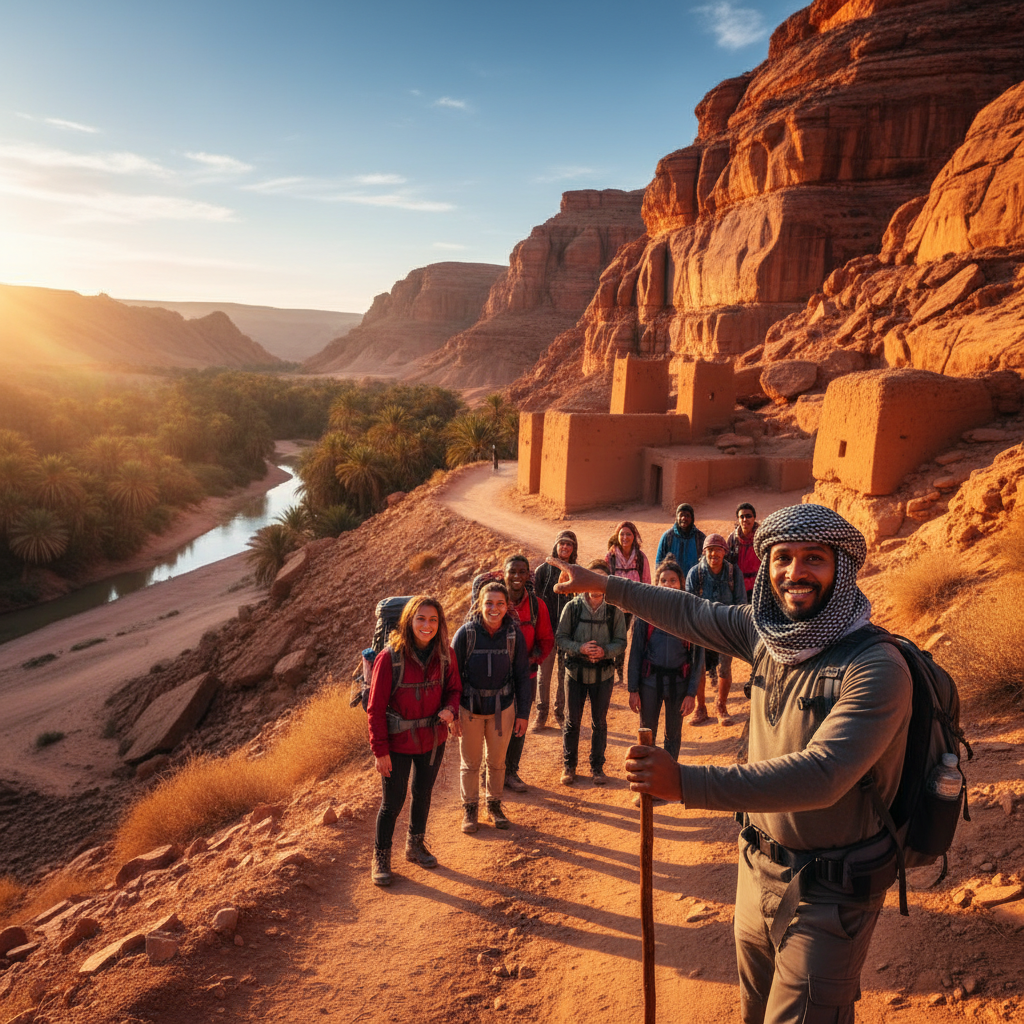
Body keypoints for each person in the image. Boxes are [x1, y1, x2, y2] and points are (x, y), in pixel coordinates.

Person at [550, 504, 913, 1024]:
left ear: (842, 567)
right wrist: (607, 586)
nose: (795, 572)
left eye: (814, 558)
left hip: (832, 892)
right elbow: (689, 613)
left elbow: (823, 774)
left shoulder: (876, 666)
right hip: (756, 869)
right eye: (783, 558)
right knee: (754, 1012)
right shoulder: (768, 634)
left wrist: (685, 782)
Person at [367, 595, 462, 887]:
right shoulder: (389, 657)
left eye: (433, 620)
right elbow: (375, 708)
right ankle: (381, 856)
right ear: (409, 621)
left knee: (422, 793)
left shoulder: (445, 654)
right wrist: (380, 751)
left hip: (432, 739)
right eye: (421, 618)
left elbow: (455, 689)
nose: (427, 625)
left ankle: (415, 845)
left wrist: (451, 709)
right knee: (392, 802)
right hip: (396, 743)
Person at [452, 581, 531, 833]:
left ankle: (494, 805)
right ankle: (470, 809)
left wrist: (523, 713)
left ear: (507, 606)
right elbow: (452, 677)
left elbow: (522, 675)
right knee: (470, 762)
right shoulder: (466, 633)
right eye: (489, 603)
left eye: (499, 603)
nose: (494, 608)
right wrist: (453, 713)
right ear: (479, 604)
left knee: (497, 762)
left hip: (503, 708)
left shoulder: (513, 635)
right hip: (470, 709)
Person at [626, 559, 703, 789]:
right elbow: (636, 652)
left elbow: (698, 659)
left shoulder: (690, 613)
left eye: (673, 580)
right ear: (656, 583)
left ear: (681, 583)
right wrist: (632, 688)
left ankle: (666, 784)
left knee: (673, 735)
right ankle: (646, 784)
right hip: (649, 682)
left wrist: (691, 693)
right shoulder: (646, 611)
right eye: (663, 580)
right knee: (647, 733)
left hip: (679, 684)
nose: (668, 585)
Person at [556, 559, 627, 786]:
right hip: (575, 674)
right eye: (592, 577)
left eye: (601, 579)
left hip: (603, 676)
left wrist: (605, 652)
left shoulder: (614, 610)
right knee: (571, 722)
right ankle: (569, 767)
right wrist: (580, 648)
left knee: (599, 723)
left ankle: (598, 768)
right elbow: (561, 638)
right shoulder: (573, 607)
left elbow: (621, 642)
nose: (596, 583)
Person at [502, 553, 554, 792]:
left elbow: (546, 639)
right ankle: (491, 772)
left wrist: (534, 660)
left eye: (522, 572)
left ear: (528, 576)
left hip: (527, 678)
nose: (517, 576)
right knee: (494, 725)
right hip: (496, 678)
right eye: (512, 571)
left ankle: (511, 772)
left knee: (519, 724)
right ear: (504, 573)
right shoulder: (493, 601)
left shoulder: (537, 605)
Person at [686, 532, 747, 726]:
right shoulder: (695, 573)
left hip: (725, 629)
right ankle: (701, 708)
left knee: (724, 668)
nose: (714, 555)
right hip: (701, 629)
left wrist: (737, 628)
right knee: (699, 668)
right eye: (710, 551)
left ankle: (721, 706)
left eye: (718, 551)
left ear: (724, 552)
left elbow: (740, 602)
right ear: (704, 553)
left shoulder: (732, 572)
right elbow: (689, 603)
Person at [533, 530, 578, 731]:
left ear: (573, 549)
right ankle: (541, 715)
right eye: (562, 544)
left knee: (563, 675)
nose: (565, 547)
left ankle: (560, 714)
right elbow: (535, 603)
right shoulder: (543, 571)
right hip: (547, 632)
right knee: (544, 676)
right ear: (556, 546)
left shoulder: (577, 572)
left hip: (567, 633)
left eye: (569, 544)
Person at [605, 520, 650, 684]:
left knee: (637, 638)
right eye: (622, 534)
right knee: (618, 639)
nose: (625, 537)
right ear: (617, 536)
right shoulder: (610, 557)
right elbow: (604, 580)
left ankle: (635, 674)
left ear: (634, 536)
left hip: (635, 606)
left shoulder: (640, 557)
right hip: (615, 606)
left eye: (628, 534)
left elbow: (646, 581)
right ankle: (618, 673)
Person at [655, 503, 706, 578]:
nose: (684, 518)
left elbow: (706, 563)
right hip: (672, 584)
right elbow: (659, 563)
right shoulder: (668, 537)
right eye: (681, 515)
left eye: (687, 515)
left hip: (694, 584)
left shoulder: (700, 538)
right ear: (676, 518)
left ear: (692, 518)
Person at [727, 502, 761, 603]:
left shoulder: (761, 537)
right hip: (739, 586)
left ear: (754, 518)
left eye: (748, 516)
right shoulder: (733, 539)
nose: (745, 519)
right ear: (738, 519)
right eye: (742, 517)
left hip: (759, 585)